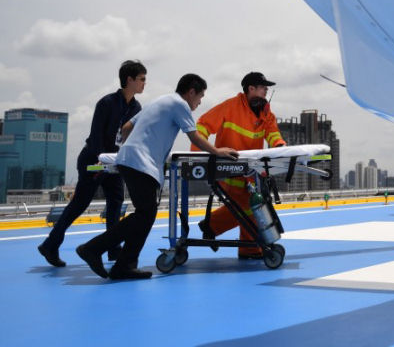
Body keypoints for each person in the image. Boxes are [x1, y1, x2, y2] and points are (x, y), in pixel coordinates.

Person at [76, 74, 238, 280]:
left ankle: (124, 265)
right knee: (144, 214)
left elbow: (126, 128)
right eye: (200, 96)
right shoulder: (181, 105)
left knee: (146, 215)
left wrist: (130, 149)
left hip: (130, 160)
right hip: (142, 165)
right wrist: (217, 151)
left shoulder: (159, 101)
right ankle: (92, 248)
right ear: (191, 92)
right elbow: (194, 135)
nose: (200, 102)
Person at [37, 60, 147, 268]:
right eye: (141, 79)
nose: (144, 83)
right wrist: (99, 157)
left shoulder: (136, 107)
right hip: (93, 160)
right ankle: (50, 244)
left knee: (115, 203)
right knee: (80, 203)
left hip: (114, 163)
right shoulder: (106, 103)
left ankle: (113, 248)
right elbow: (96, 133)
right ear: (129, 79)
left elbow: (130, 137)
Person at [192, 71, 286, 259]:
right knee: (250, 206)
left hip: (250, 170)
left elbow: (273, 134)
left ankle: (213, 227)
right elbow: (203, 125)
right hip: (227, 168)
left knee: (250, 205)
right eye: (263, 88)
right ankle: (249, 249)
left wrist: (280, 147)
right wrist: (197, 154)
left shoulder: (266, 113)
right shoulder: (230, 107)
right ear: (251, 88)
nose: (266, 91)